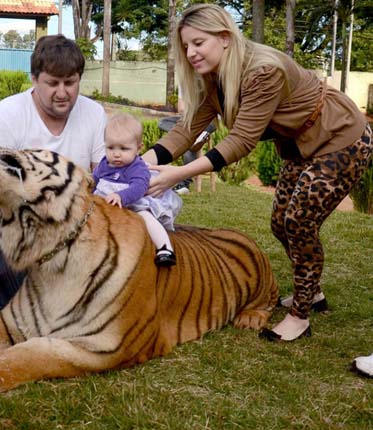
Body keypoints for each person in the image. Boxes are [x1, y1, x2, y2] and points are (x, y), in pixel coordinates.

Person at [142, 3, 371, 342]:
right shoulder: (216, 78)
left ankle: (300, 315)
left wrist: (177, 174)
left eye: (198, 43)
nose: (190, 52)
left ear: (223, 37)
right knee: (280, 223)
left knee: (298, 221)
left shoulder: (263, 70)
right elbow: (187, 129)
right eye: (186, 46)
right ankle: (314, 291)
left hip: (340, 136)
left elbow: (242, 140)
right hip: (299, 145)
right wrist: (139, 162)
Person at [0, 34, 107, 317]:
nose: (62, 92)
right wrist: (30, 227)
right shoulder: (5, 117)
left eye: (70, 82)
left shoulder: (94, 113)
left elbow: (103, 177)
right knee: (20, 316)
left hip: (69, 229)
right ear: (34, 79)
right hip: (7, 232)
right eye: (52, 83)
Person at [93, 113, 181, 266]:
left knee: (147, 219)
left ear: (138, 149)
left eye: (124, 148)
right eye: (110, 147)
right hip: (106, 203)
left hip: (134, 203)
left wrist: (121, 196)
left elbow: (139, 187)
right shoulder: (104, 163)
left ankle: (165, 248)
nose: (116, 154)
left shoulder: (137, 167)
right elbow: (94, 180)